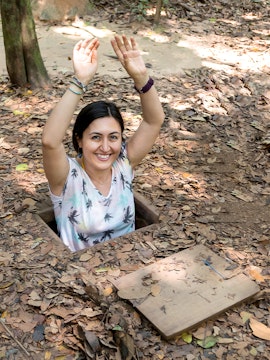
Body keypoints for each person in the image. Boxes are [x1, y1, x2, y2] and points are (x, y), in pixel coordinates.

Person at [42, 35, 165, 252]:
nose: (106, 147)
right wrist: (79, 82)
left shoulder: (123, 164)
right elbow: (50, 142)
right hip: (80, 278)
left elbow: (154, 121)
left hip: (131, 267)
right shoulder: (66, 177)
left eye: (113, 137)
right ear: (79, 139)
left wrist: (142, 78)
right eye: (96, 137)